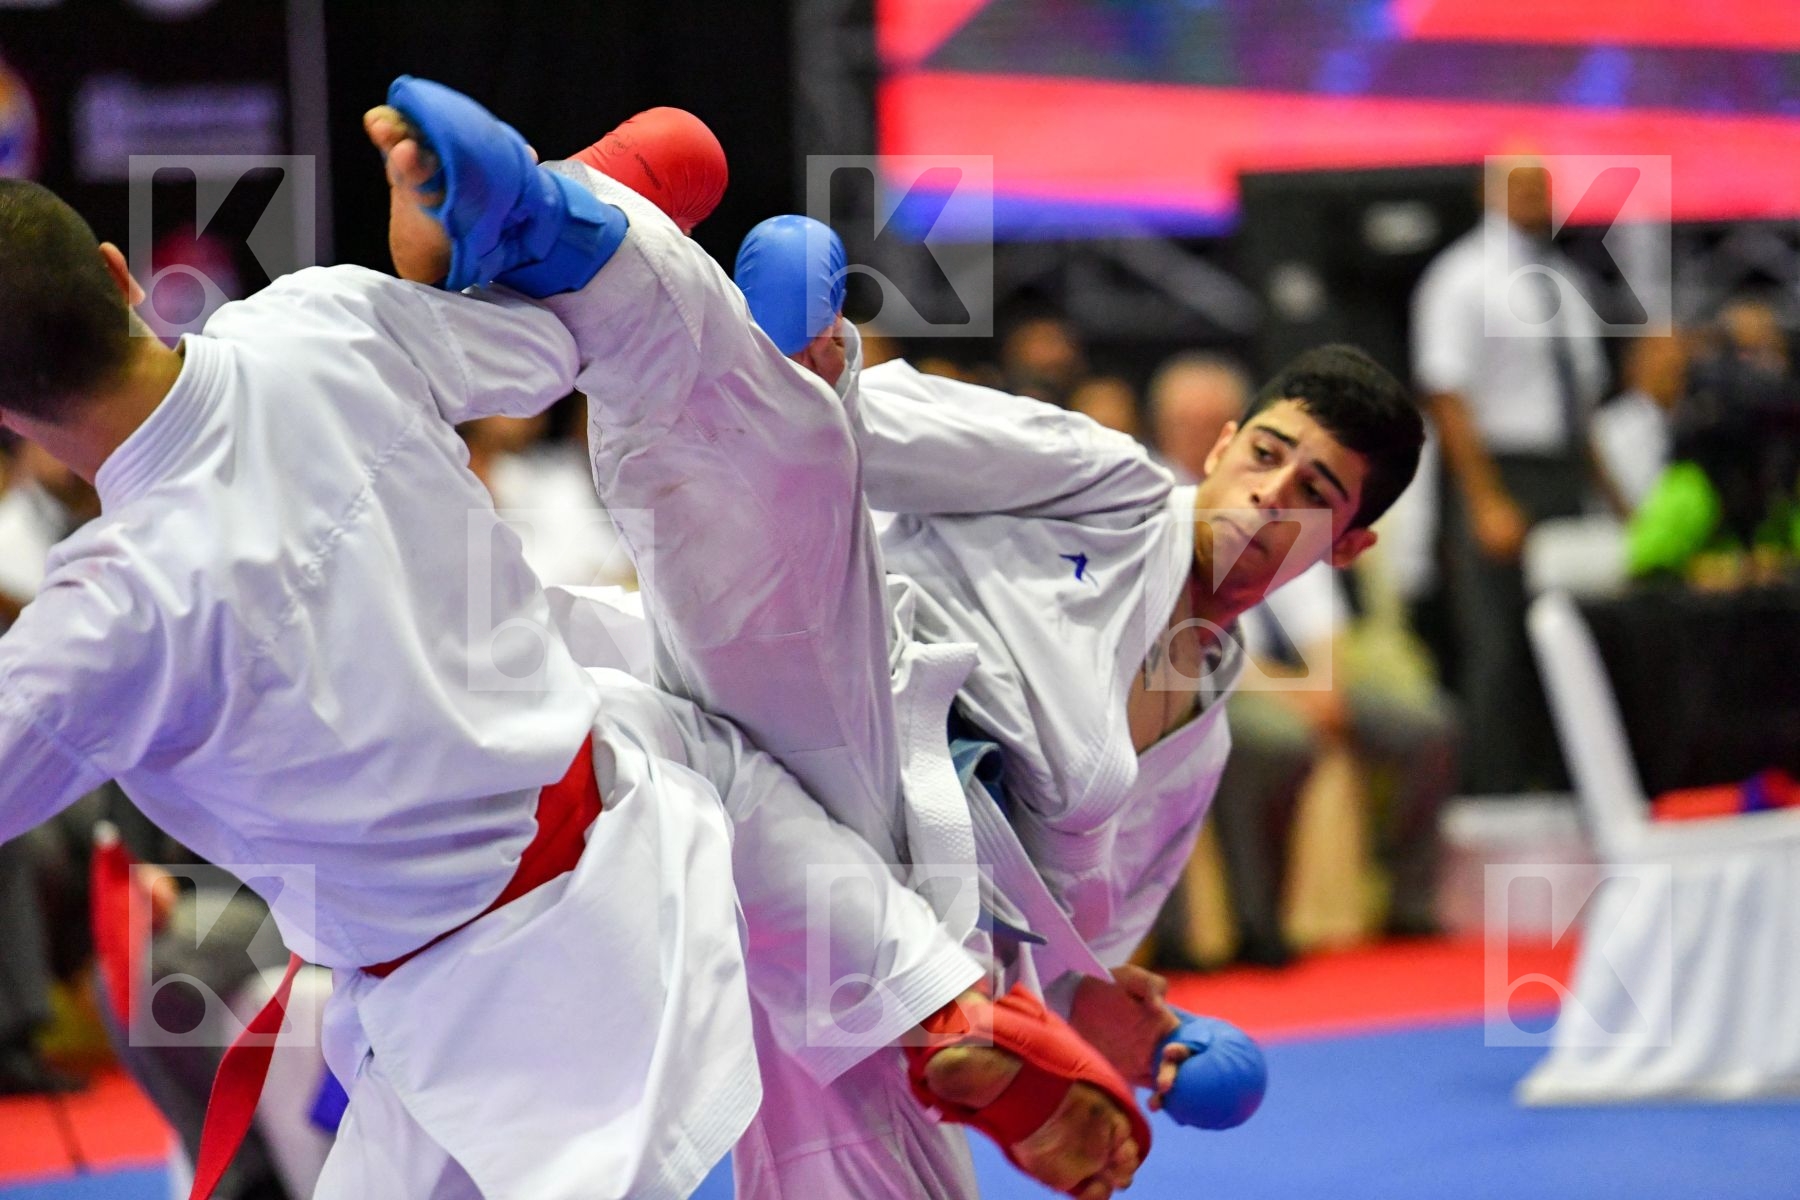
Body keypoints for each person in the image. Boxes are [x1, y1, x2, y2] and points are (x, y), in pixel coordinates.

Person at [0, 89, 1123, 1200]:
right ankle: (933, 998)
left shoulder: (98, 622)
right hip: (641, 802)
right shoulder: (312, 324)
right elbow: (554, 347)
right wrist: (496, 243)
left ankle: (925, 995)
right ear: (118, 274)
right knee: (709, 747)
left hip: (504, 1008)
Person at [724, 214, 1422, 1186]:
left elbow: (1063, 952)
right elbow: (859, 424)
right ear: (1220, 447)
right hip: (801, 748)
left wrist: (1115, 1028)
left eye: (1315, 494)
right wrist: (814, 352)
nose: (1270, 497)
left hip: (894, 933)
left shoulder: (1195, 755)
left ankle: (960, 1029)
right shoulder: (1100, 482)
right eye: (1265, 455)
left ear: (1346, 548)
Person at [1411, 159, 1611, 792]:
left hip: (1562, 471)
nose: (1532, 196)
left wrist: (1615, 498)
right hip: (1496, 468)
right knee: (1498, 637)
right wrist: (1485, 498)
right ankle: (1494, 788)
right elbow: (1446, 393)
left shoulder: (1564, 280)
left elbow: (1581, 405)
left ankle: (1566, 779)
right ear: (1488, 192)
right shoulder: (1460, 277)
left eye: (1541, 185)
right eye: (1519, 184)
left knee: (1570, 632)